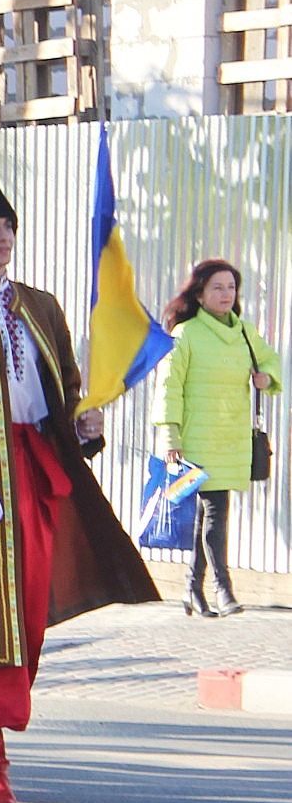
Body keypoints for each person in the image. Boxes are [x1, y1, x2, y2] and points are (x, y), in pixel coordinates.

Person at [0, 174, 158, 803]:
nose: (2, 238)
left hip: (40, 470)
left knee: (25, 614)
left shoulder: (39, 305)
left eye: (8, 228)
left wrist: (84, 420)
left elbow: (67, 384)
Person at [156, 258, 282, 616]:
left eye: (231, 288)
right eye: (218, 287)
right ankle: (222, 589)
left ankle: (192, 589)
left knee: (208, 513)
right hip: (195, 439)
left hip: (231, 437)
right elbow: (168, 388)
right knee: (215, 510)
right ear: (200, 293)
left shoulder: (244, 331)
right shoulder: (186, 334)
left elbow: (270, 361)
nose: (226, 294)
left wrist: (266, 378)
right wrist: (169, 436)